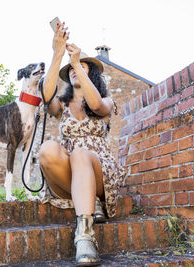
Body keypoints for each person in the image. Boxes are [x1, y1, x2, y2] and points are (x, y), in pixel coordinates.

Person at [39, 22, 125, 266]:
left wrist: (77, 61)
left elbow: (97, 106)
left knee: (80, 154)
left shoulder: (106, 100)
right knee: (47, 149)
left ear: (92, 75)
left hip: (99, 170)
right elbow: (46, 96)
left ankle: (85, 237)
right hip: (71, 171)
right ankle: (87, 203)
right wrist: (58, 53)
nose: (76, 71)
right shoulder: (62, 105)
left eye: (83, 67)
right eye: (73, 70)